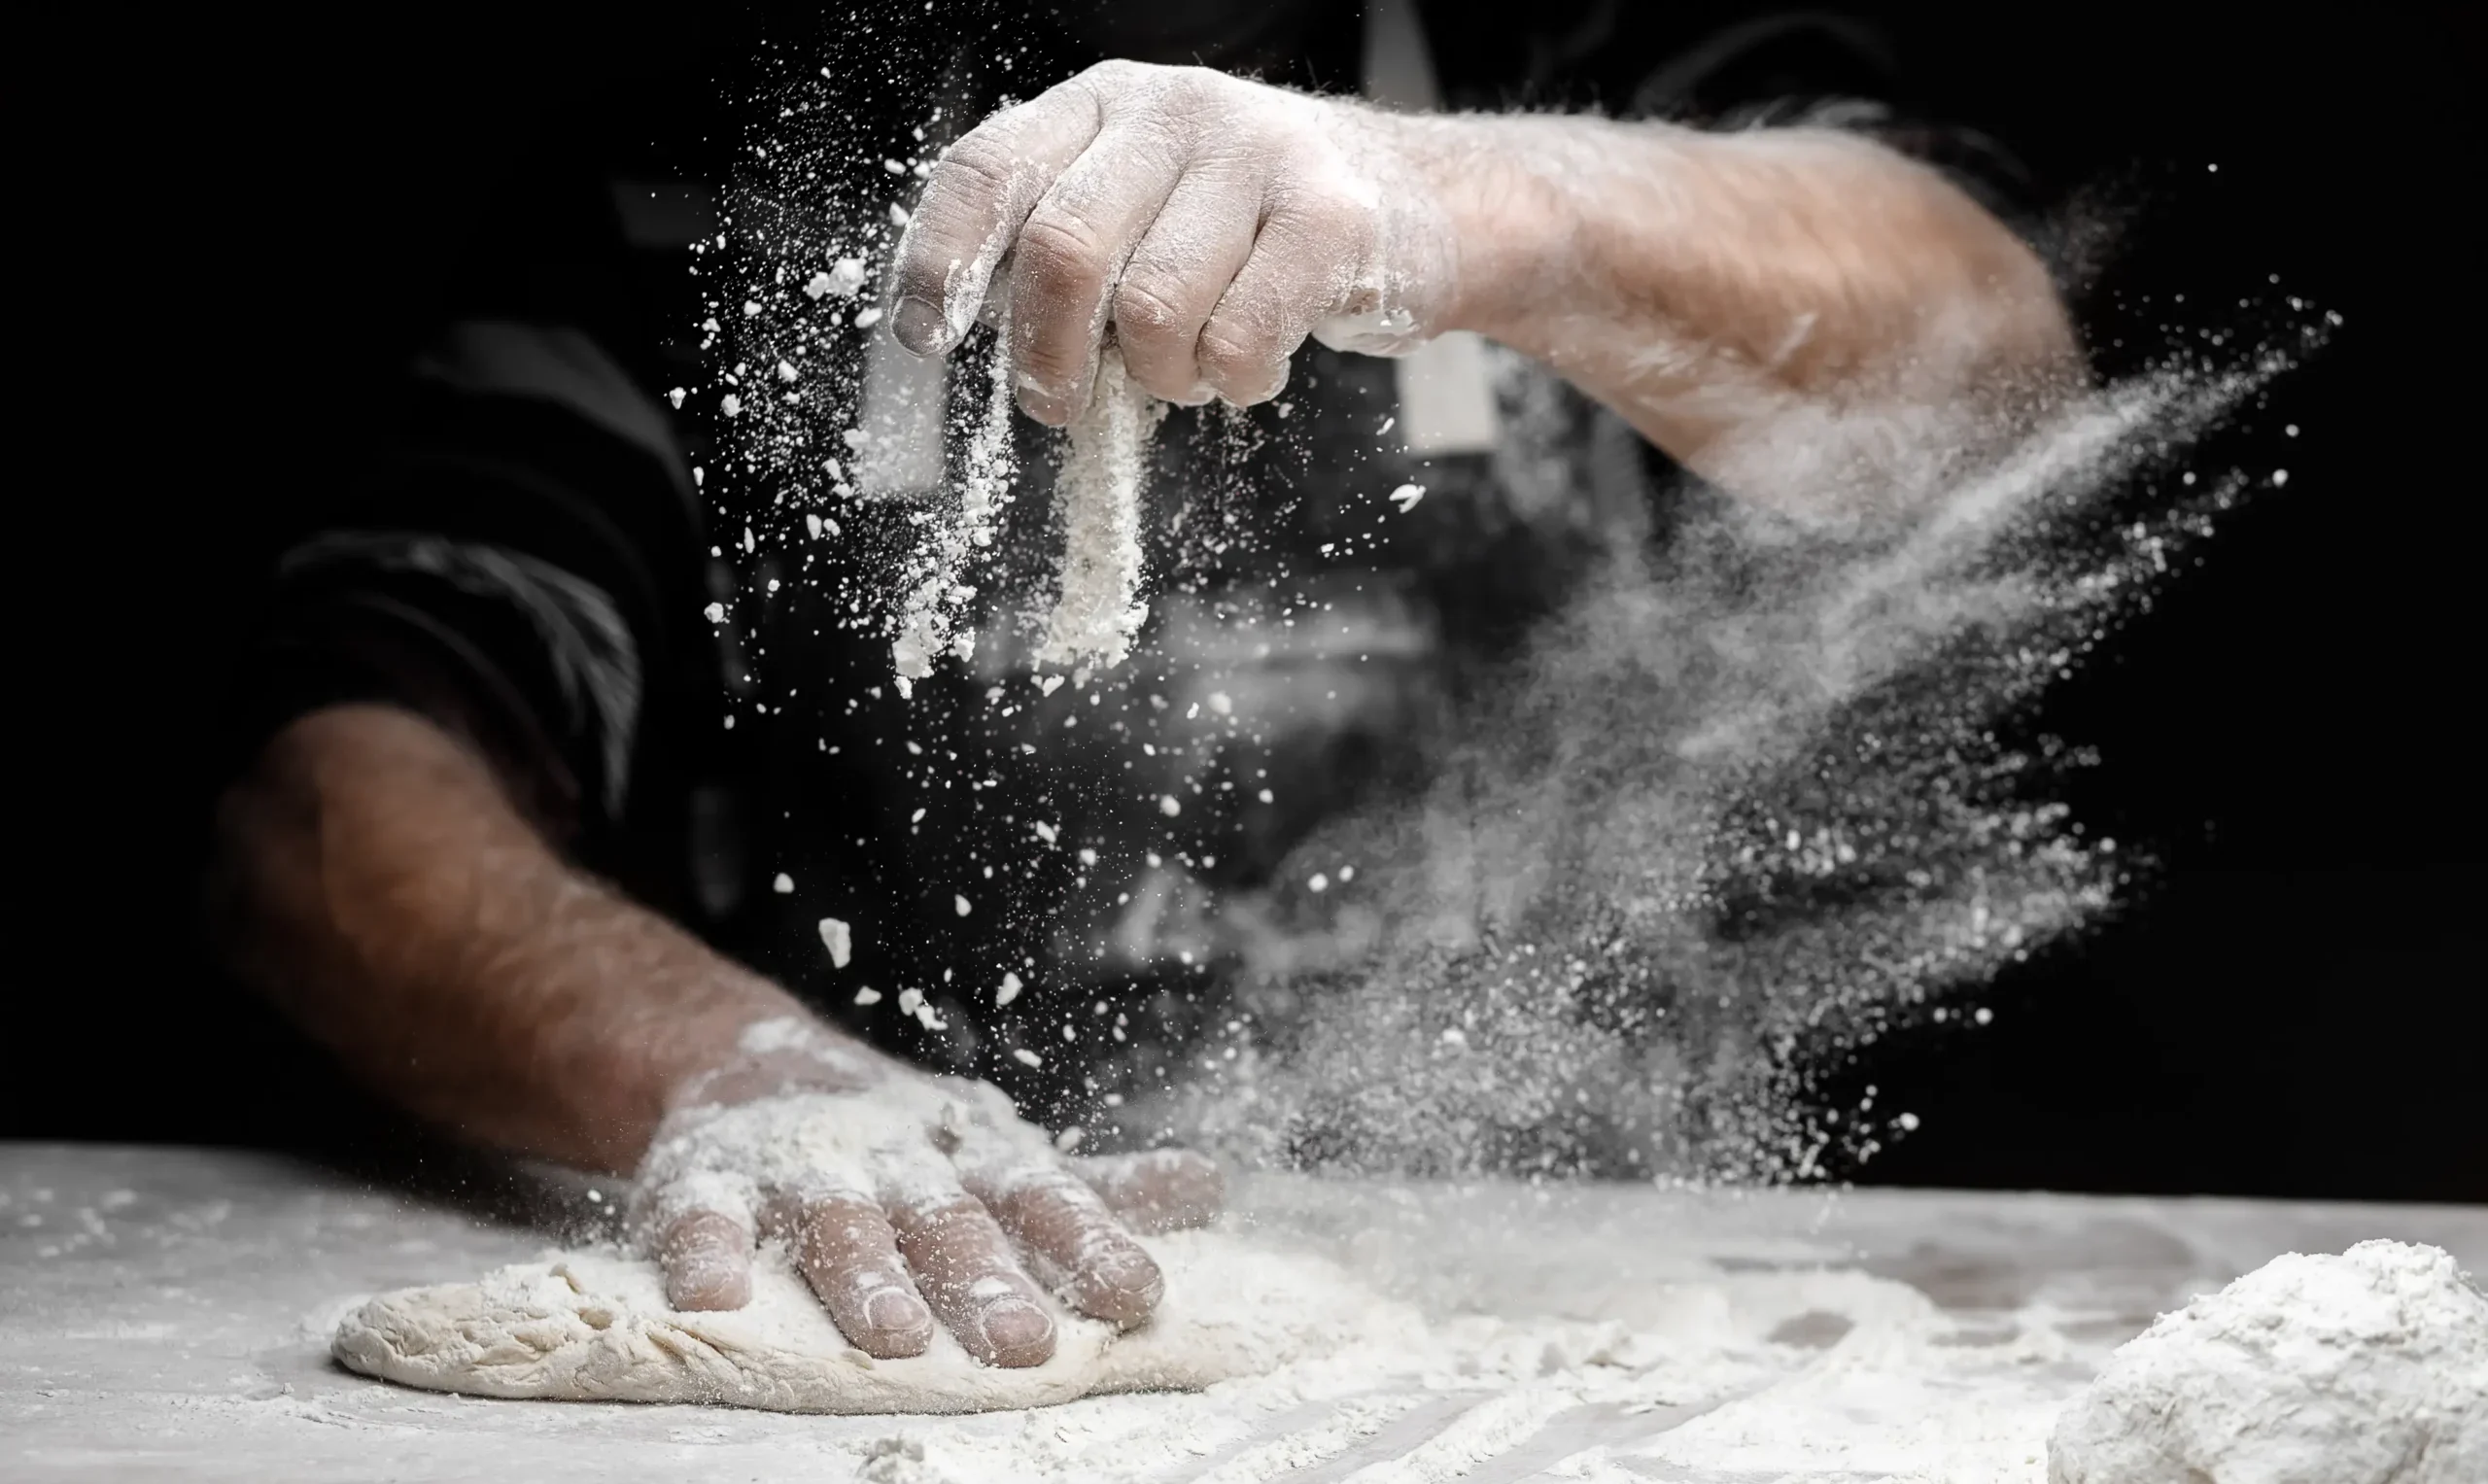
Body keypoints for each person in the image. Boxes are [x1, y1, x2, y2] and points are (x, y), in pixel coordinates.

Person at [206, 1, 2076, 1368]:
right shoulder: (679, 180)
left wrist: (1476, 202)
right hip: (908, 1298)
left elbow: (1990, 385)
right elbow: (332, 785)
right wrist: (739, 1071)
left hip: (1590, 1310)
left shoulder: (1603, 44)